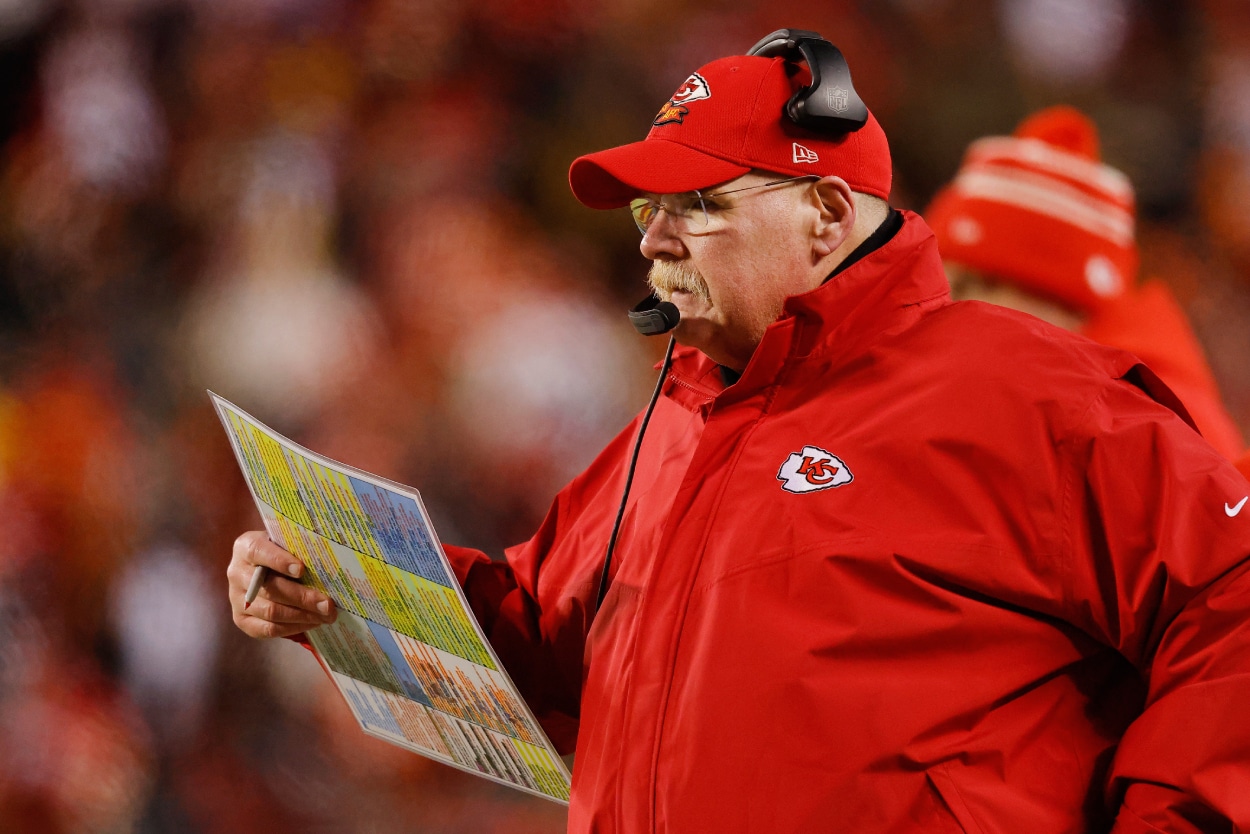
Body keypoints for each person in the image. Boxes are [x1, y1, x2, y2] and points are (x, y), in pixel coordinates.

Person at [227, 33, 1250, 833]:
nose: (654, 238)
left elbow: (1231, 593)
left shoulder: (1016, 390)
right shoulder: (664, 435)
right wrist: (339, 595)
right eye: (647, 208)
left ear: (825, 212)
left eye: (700, 204)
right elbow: (534, 647)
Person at [925, 104, 1246, 460]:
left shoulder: (1149, 417)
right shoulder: (1060, 383)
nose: (942, 309)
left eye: (967, 286)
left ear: (1060, 300)